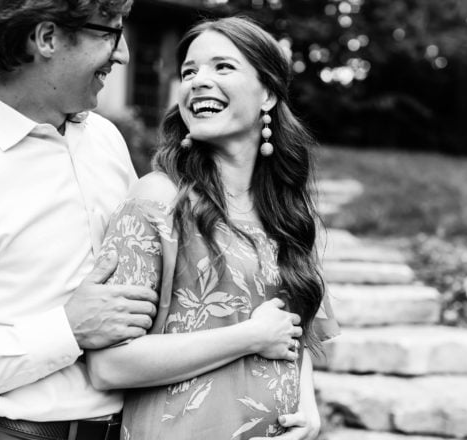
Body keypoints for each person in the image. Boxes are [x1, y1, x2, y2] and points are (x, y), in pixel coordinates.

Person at [0, 2, 309, 440]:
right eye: (108, 33)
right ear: (48, 38)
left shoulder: (104, 141)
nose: (123, 53)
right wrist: (65, 330)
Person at [86, 16, 340, 440]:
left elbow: (296, 328)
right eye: (189, 71)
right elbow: (108, 365)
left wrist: (308, 407)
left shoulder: (288, 213)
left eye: (222, 67)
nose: (198, 81)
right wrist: (249, 336)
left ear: (268, 94)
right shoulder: (157, 201)